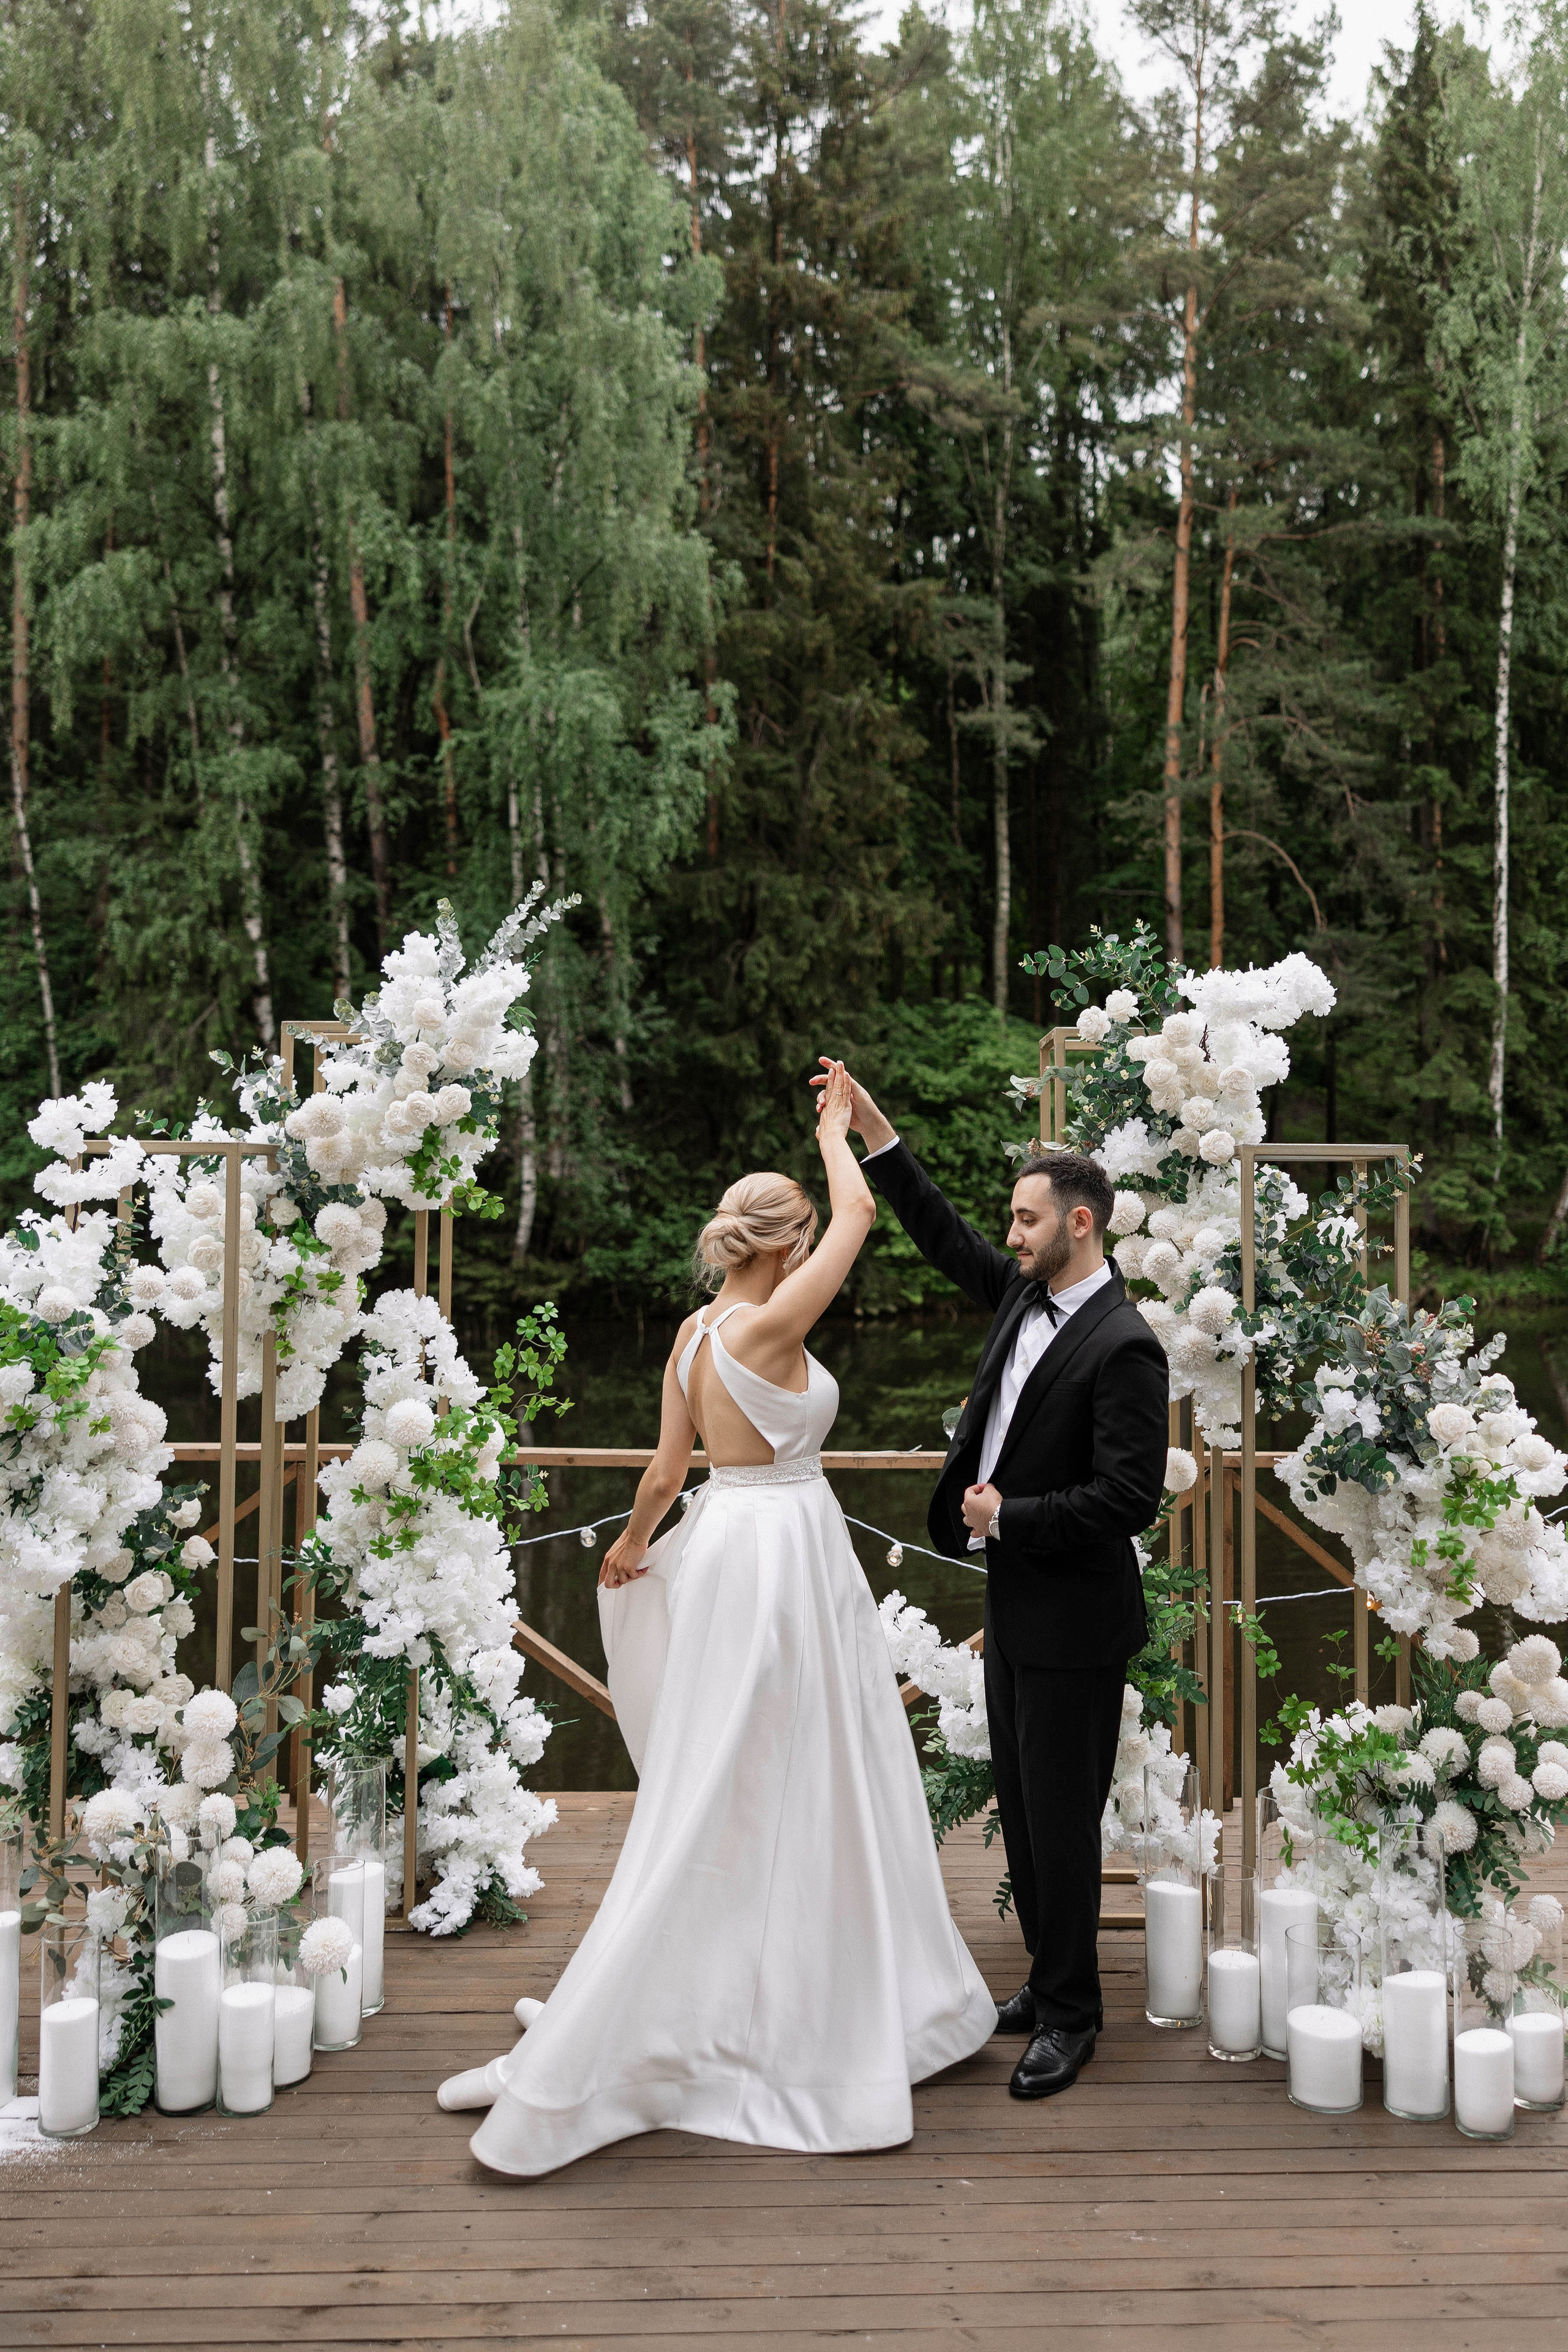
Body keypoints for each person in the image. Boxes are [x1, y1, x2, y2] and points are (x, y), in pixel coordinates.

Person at [458, 1063, 996, 2178]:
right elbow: (859, 1210)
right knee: (808, 1764)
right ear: (784, 1245)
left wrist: (627, 1549)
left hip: (723, 1546)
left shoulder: (699, 1333)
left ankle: (705, 1985)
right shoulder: (774, 1323)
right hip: (789, 1548)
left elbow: (664, 1473)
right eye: (799, 1238)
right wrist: (838, 1131)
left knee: (729, 1770)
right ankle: (784, 2007)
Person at [810, 1062, 1169, 2100]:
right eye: (1013, 1220)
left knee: (1061, 1824)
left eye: (1026, 1219)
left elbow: (1128, 1498)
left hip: (1075, 1619)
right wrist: (878, 1133)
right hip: (1015, 1610)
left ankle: (1073, 2018)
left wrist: (1011, 1516)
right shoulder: (1027, 1294)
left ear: (1082, 1225)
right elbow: (942, 1236)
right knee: (1024, 1812)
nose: (1010, 1234)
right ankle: (1047, 1985)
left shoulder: (1125, 1346)